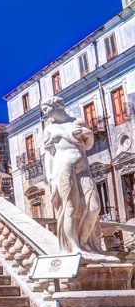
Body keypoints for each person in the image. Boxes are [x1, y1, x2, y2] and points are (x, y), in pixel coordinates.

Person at [41, 97, 105, 256]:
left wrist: (86, 133)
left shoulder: (78, 122)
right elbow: (49, 154)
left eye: (46, 109)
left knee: (94, 206)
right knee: (70, 207)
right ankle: (74, 246)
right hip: (63, 166)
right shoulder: (49, 129)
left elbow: (88, 145)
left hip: (83, 166)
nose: (45, 113)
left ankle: (84, 242)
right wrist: (49, 175)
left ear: (57, 106)